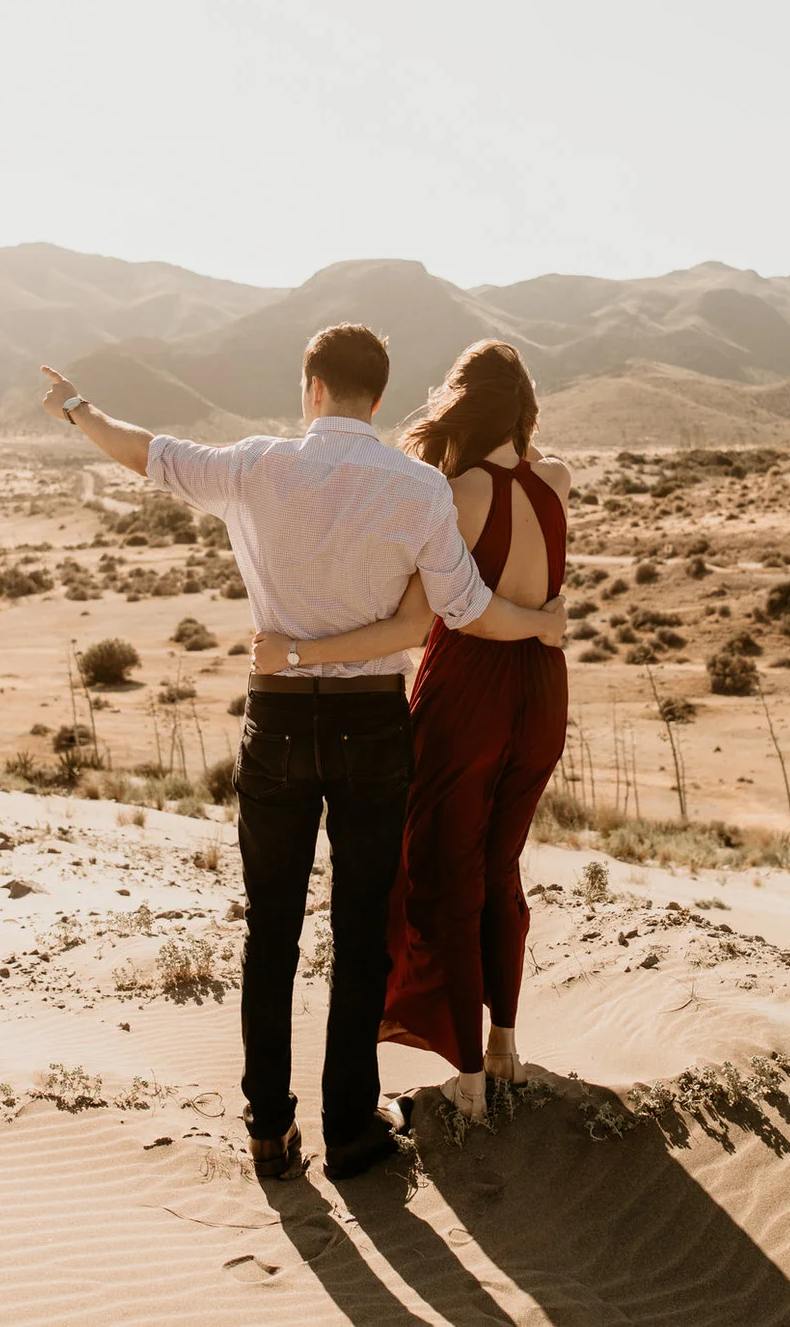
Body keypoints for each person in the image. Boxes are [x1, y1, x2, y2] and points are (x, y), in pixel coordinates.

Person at [38, 327, 564, 1182]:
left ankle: (268, 1132)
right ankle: (352, 1132)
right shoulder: (420, 488)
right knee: (362, 936)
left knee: (272, 933)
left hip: (278, 721)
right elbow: (462, 610)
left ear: (311, 387)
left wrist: (75, 407)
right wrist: (541, 625)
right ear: (381, 399)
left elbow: (146, 454)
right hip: (373, 726)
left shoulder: (255, 465)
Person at [250, 340, 567, 1122]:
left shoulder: (455, 492)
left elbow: (434, 619)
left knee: (441, 874)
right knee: (501, 870)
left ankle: (465, 1078)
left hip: (470, 692)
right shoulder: (556, 482)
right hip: (543, 689)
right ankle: (505, 1045)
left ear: (465, 404)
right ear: (522, 409)